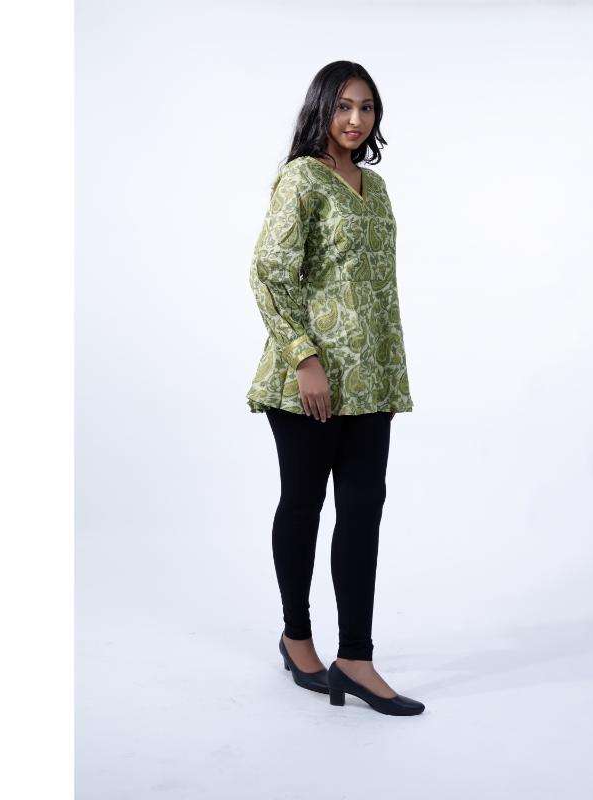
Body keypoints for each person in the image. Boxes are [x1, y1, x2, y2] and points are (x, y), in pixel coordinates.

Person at [246, 61, 424, 716]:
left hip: (369, 381)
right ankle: (297, 638)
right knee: (303, 505)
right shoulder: (301, 178)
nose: (355, 119)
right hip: (309, 382)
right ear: (321, 107)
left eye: (367, 108)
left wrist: (386, 374)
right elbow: (269, 273)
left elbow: (378, 289)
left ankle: (356, 657)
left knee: (363, 511)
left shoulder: (376, 187)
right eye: (344, 105)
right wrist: (304, 358)